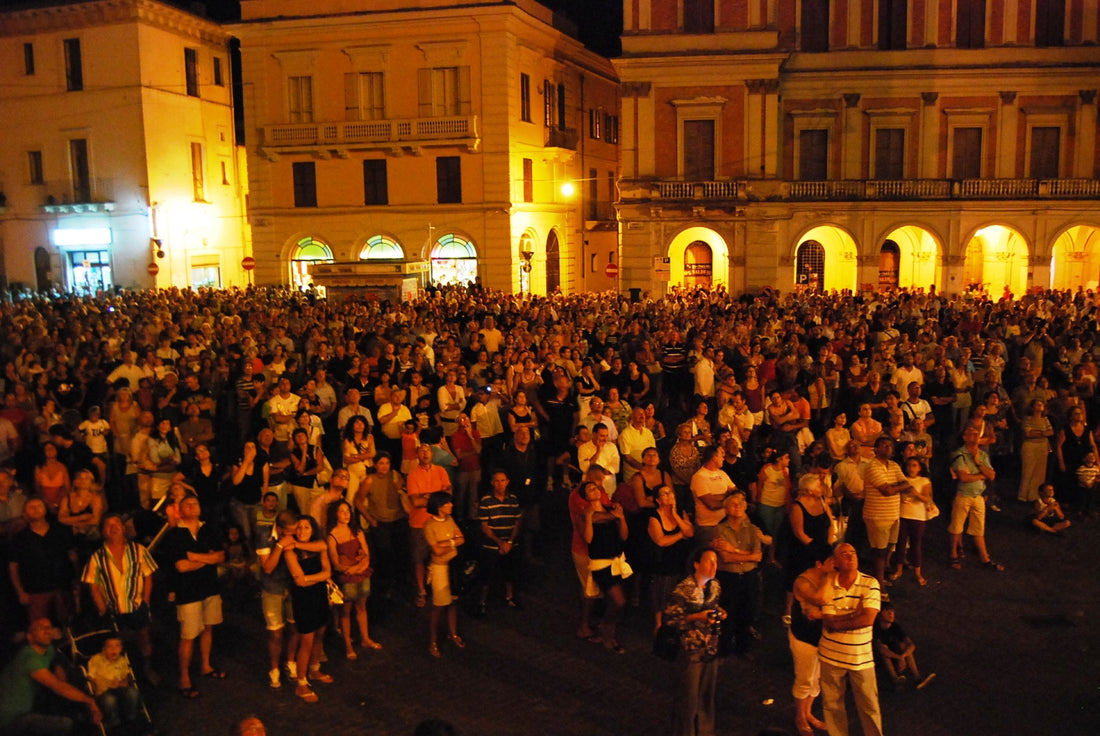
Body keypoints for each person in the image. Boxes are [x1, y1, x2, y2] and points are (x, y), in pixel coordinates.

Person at [162, 494, 226, 698]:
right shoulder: (174, 535)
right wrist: (208, 559)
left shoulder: (209, 528)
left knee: (208, 627)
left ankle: (205, 665)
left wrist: (195, 557)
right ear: (180, 510)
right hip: (188, 591)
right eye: (187, 504)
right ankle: (184, 678)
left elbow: (221, 556)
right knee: (188, 635)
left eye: (195, 503)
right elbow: (181, 566)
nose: (192, 506)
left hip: (210, 587)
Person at [82, 514, 158, 683]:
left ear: (124, 528)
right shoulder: (97, 557)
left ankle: (147, 669)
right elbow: (93, 585)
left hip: (137, 606)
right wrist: (102, 608)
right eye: (108, 525)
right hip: (113, 609)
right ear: (103, 532)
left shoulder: (138, 550)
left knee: (144, 638)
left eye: (116, 523)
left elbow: (148, 576)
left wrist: (145, 601)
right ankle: (123, 675)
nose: (113, 527)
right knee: (117, 644)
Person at [818, 543, 883, 736]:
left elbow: (868, 619)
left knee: (869, 705)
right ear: (835, 562)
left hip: (860, 658)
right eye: (844, 554)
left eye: (853, 552)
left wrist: (837, 621)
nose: (851, 557)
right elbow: (829, 622)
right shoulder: (828, 583)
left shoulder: (870, 583)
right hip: (830, 656)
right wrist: (854, 614)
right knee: (832, 705)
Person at [663, 547, 726, 736]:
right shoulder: (684, 589)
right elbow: (671, 619)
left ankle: (705, 731)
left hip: (710, 646)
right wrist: (697, 616)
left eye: (716, 561)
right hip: (690, 648)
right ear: (696, 564)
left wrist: (720, 613)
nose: (714, 566)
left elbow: (713, 607)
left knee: (706, 694)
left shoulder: (715, 586)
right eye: (709, 561)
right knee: (688, 697)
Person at [0, 618, 102, 734]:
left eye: (49, 627)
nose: (47, 631)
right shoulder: (30, 658)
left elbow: (56, 662)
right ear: (30, 636)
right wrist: (89, 701)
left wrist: (60, 671)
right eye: (41, 628)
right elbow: (59, 687)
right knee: (65, 724)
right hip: (10, 718)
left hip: (25, 711)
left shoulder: (48, 649)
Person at [283, 515, 333, 701]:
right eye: (300, 527)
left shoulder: (317, 546)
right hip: (303, 600)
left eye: (307, 527)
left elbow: (327, 571)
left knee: (320, 633)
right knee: (306, 641)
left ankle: (314, 669)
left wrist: (310, 578)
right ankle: (301, 683)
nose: (302, 531)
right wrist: (318, 577)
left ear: (313, 530)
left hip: (319, 595)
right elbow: (299, 580)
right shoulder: (290, 552)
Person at [710, 490, 762, 659]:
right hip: (729, 577)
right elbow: (725, 558)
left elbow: (759, 556)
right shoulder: (719, 529)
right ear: (726, 509)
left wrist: (734, 551)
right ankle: (724, 649)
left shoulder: (753, 529)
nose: (738, 507)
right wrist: (746, 555)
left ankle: (743, 647)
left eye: (741, 504)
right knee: (727, 612)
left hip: (749, 576)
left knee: (747, 612)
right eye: (733, 504)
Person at [327, 499, 381, 659]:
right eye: (342, 511)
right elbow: (336, 563)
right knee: (346, 610)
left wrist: (356, 567)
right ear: (335, 514)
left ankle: (365, 638)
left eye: (348, 511)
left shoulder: (357, 531)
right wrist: (354, 565)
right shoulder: (332, 536)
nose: (346, 514)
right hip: (347, 578)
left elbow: (366, 553)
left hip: (360, 573)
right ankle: (348, 645)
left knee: (362, 606)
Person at [581, 481, 630, 654]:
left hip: (616, 561)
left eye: (596, 488)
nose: (594, 491)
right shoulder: (587, 513)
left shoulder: (611, 510)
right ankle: (608, 633)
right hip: (601, 564)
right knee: (619, 600)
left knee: (613, 601)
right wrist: (589, 519)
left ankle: (608, 632)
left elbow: (623, 535)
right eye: (590, 490)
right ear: (586, 496)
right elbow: (588, 539)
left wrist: (622, 518)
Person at [10, 496, 75, 627]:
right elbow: (13, 566)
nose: (36, 510)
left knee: (67, 623)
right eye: (31, 507)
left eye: (39, 506)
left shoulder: (60, 531)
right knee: (39, 626)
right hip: (35, 590)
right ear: (24, 513)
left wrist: (76, 580)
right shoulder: (20, 538)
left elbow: (72, 556)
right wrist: (20, 591)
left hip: (62, 586)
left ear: (45, 509)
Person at [948, 426, 1004, 571]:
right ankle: (953, 554)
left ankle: (984, 557)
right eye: (971, 434)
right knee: (957, 527)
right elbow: (963, 477)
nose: (975, 436)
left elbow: (991, 475)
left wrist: (978, 463)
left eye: (976, 434)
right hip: (963, 495)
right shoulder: (959, 454)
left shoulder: (982, 455)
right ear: (965, 437)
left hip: (978, 496)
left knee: (979, 528)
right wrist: (981, 475)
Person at [406, 442, 452, 608]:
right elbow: (415, 502)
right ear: (417, 455)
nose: (425, 453)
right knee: (419, 559)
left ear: (432, 454)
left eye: (427, 450)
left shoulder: (441, 471)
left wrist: (426, 496)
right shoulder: (412, 475)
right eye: (421, 451)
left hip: (439, 522)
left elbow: (448, 495)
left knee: (438, 556)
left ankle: (438, 588)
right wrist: (436, 498)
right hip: (419, 523)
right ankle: (421, 590)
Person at [861, 436, 909, 593]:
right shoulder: (872, 467)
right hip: (877, 515)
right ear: (876, 449)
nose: (888, 447)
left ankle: (879, 579)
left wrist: (894, 486)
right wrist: (897, 486)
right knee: (879, 551)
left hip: (893, 514)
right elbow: (886, 490)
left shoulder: (894, 465)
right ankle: (879, 586)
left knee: (888, 547)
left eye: (890, 445)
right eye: (884, 445)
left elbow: (906, 484)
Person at [789, 560, 831, 736]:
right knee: (805, 679)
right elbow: (820, 598)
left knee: (817, 679)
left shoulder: (833, 578)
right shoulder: (803, 581)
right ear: (820, 563)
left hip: (824, 638)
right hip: (805, 638)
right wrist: (829, 576)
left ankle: (808, 713)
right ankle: (800, 717)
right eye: (833, 562)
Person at [423, 491, 465, 657]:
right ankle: (432, 641)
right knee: (439, 605)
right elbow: (437, 551)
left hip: (453, 566)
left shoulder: (450, 520)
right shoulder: (429, 526)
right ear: (439, 506)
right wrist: (453, 543)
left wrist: (446, 543)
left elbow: (462, 538)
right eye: (448, 503)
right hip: (439, 567)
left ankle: (452, 633)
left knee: (453, 601)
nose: (451, 505)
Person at [476, 470, 523, 616]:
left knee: (509, 572)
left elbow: (517, 521)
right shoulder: (486, 500)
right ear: (492, 483)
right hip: (491, 545)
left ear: (507, 482)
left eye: (503, 480)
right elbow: (485, 526)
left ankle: (509, 597)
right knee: (487, 575)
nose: (500, 484)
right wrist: (500, 543)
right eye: (497, 481)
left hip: (509, 545)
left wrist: (509, 542)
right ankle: (482, 602)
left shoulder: (513, 499)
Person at [890, 458, 934, 586]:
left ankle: (918, 572)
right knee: (900, 543)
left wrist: (915, 493)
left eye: (914, 465)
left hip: (918, 516)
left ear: (919, 468)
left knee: (916, 544)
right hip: (903, 515)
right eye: (909, 465)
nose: (911, 468)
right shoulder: (902, 480)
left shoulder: (924, 481)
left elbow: (927, 498)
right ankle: (898, 570)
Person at [87, 634, 143, 732]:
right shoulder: (96, 660)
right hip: (103, 690)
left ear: (121, 648)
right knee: (109, 700)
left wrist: (122, 683)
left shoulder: (121, 660)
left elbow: (126, 678)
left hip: (119, 688)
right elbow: (91, 678)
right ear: (104, 649)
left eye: (117, 646)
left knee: (133, 693)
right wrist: (101, 686)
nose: (114, 649)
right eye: (110, 647)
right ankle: (115, 725)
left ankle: (131, 720)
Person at [874, 602, 934, 689]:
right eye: (887, 611)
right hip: (877, 658)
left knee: (905, 646)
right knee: (885, 651)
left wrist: (903, 656)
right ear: (880, 614)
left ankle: (917, 678)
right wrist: (899, 658)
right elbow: (881, 649)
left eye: (892, 611)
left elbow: (912, 645)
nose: (891, 614)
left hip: (895, 654)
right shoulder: (876, 628)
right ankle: (895, 680)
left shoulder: (895, 626)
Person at [690, 445, 737, 545]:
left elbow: (736, 494)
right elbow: (712, 505)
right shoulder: (699, 477)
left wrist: (717, 497)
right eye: (721, 455)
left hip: (727, 522)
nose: (723, 458)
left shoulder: (722, 474)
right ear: (714, 457)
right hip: (709, 527)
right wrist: (728, 496)